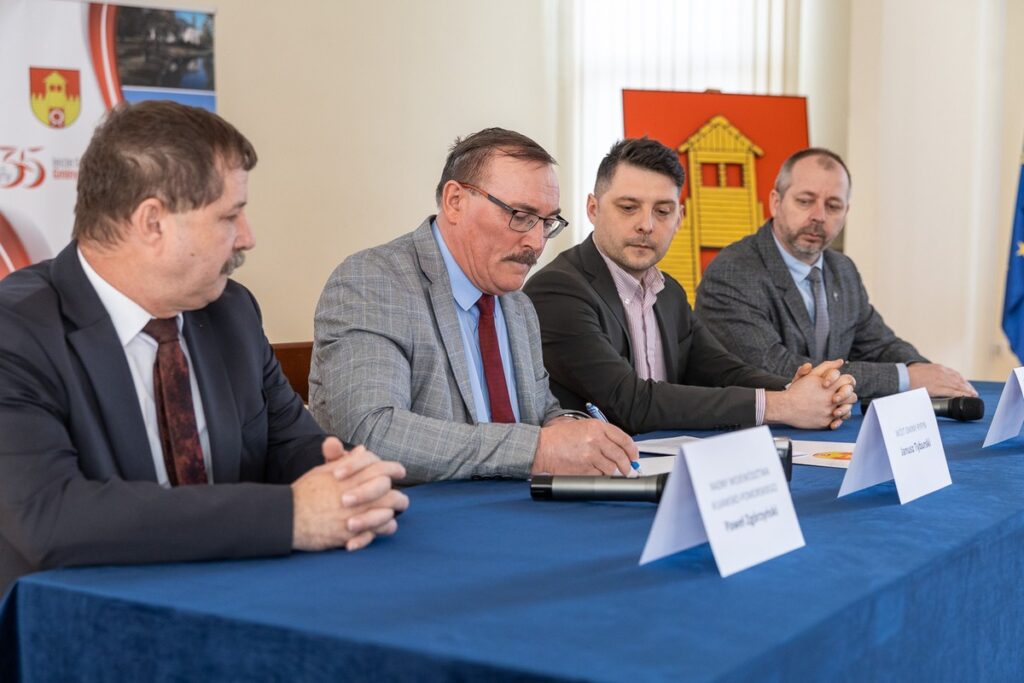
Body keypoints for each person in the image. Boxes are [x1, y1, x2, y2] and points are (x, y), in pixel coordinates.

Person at [0, 101, 408, 596]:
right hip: (74, 617)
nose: (248, 238)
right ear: (153, 223)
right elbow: (50, 517)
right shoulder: (16, 331)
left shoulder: (231, 311)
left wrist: (347, 481)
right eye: (230, 216)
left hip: (233, 595)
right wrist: (291, 516)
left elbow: (288, 445)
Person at [310, 128, 639, 483]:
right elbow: (373, 434)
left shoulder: (518, 305)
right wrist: (537, 450)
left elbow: (542, 412)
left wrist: (568, 428)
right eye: (520, 215)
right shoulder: (374, 283)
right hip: (416, 511)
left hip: (520, 505)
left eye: (547, 223)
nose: (536, 242)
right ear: (455, 201)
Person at [524, 138, 857, 434]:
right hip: (590, 476)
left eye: (663, 211)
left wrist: (803, 389)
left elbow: (721, 369)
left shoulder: (668, 292)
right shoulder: (559, 290)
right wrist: (781, 405)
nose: (646, 225)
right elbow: (631, 403)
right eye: (628, 208)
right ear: (593, 209)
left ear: (679, 219)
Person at [695, 147, 976, 399]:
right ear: (775, 202)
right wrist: (905, 377)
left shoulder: (843, 270)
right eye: (805, 201)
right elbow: (777, 369)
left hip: (826, 426)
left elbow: (878, 345)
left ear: (846, 212)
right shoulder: (732, 272)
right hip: (749, 432)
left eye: (833, 206)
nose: (819, 216)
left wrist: (924, 370)